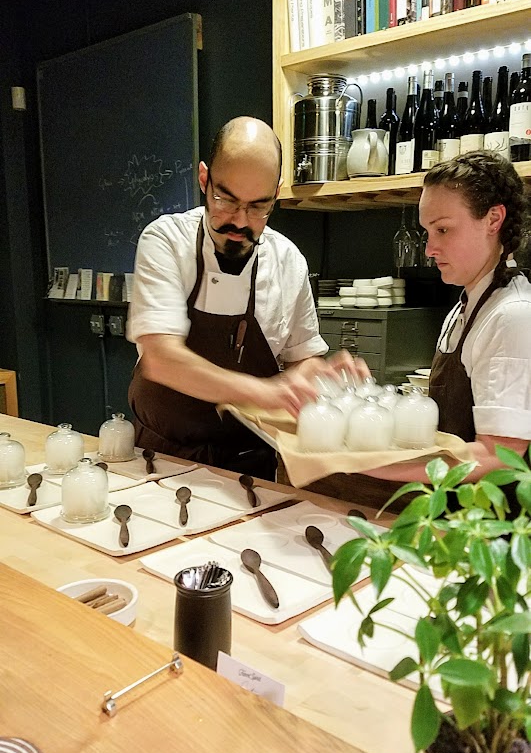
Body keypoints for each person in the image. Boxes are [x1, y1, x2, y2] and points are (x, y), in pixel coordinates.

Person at [127, 116, 363, 479]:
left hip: (252, 468)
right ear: (204, 179)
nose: (239, 220)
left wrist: (322, 377)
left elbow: (303, 361)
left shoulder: (288, 261)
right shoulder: (166, 241)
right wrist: (262, 391)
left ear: (277, 193)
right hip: (161, 460)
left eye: (258, 207)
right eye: (226, 200)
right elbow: (161, 358)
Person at [366, 150, 531, 486]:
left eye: (443, 230)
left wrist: (376, 468)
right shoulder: (466, 307)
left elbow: (499, 455)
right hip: (451, 510)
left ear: (493, 220)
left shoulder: (512, 315)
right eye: (428, 231)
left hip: (488, 525)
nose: (428, 249)